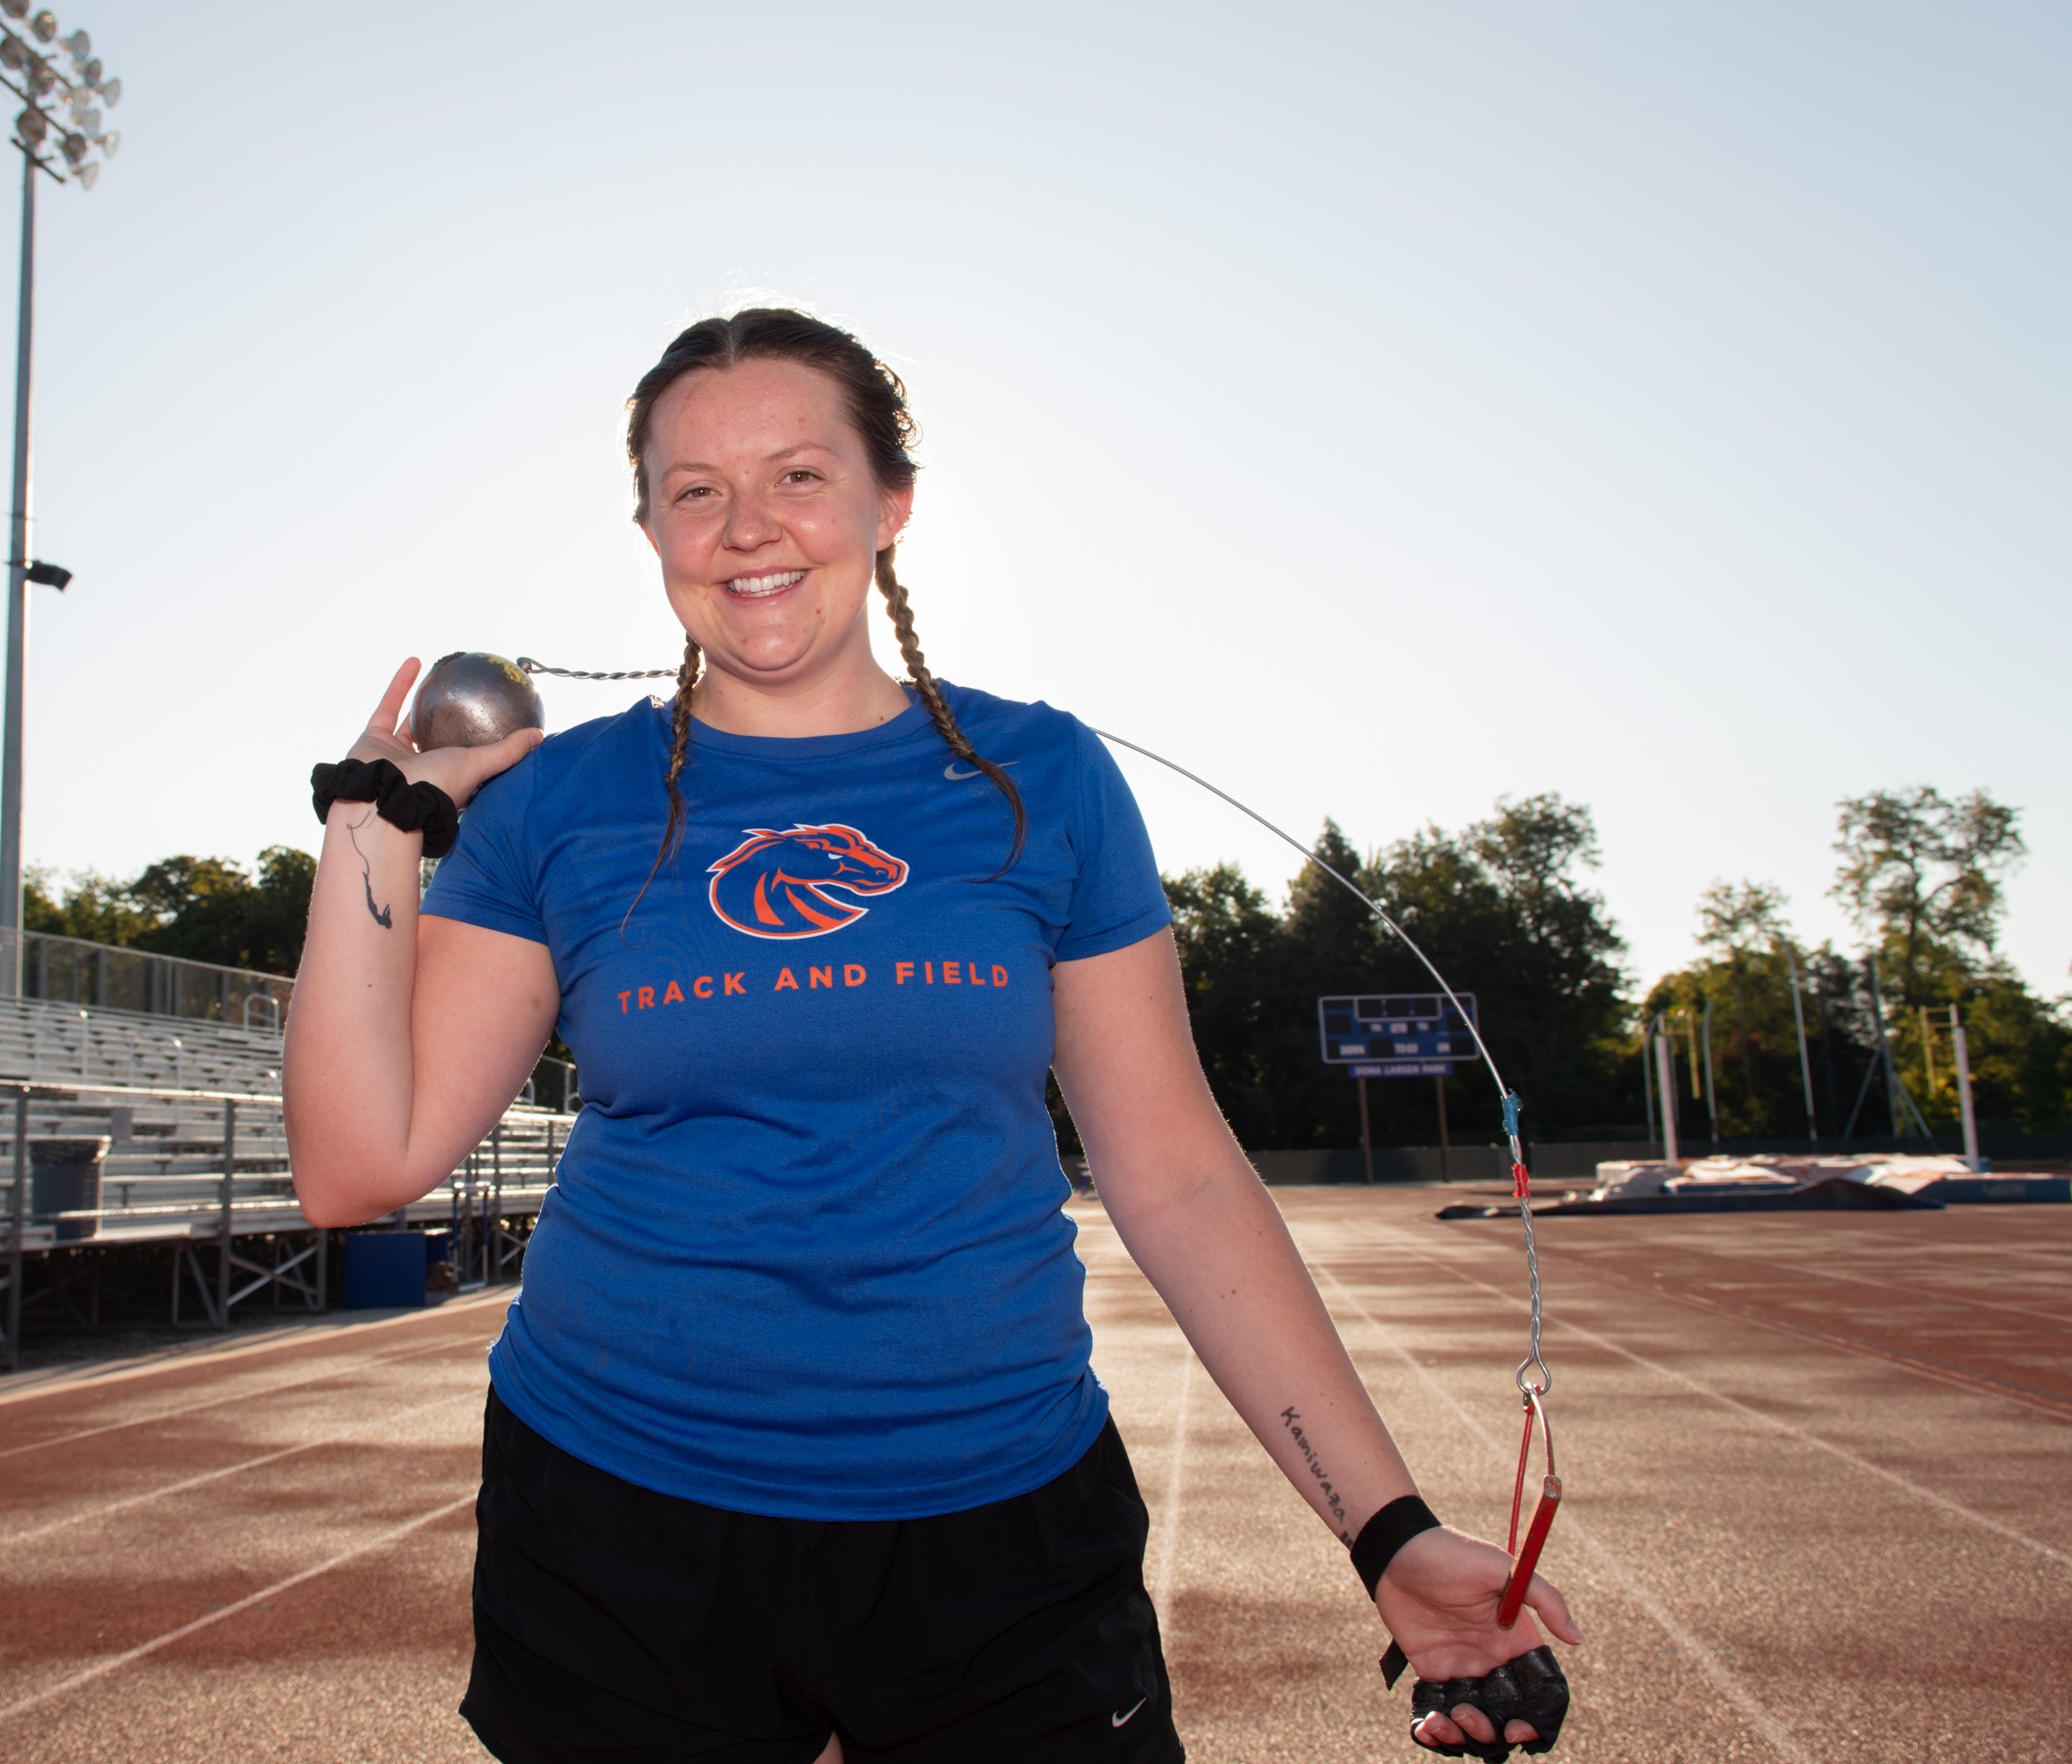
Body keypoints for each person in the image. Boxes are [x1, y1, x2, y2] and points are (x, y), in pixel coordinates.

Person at [283, 308, 1580, 1763]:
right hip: (622, 1515)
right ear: (647, 525)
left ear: (892, 502)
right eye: (693, 489)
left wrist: (1387, 1535)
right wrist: (375, 824)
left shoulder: (1043, 779)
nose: (745, 527)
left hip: (1001, 1521)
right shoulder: (558, 804)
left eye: (798, 475)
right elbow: (356, 1167)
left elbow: (1178, 1177)